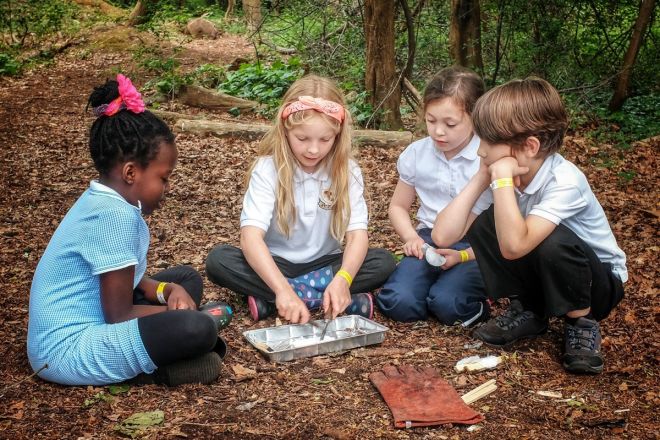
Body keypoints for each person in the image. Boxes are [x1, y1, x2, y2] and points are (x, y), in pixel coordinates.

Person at [27, 74, 231, 387]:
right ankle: (161, 367)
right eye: (163, 178)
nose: (166, 188)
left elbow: (122, 281)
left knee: (185, 280)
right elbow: (118, 314)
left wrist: (167, 291)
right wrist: (183, 320)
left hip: (97, 313)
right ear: (131, 172)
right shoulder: (113, 216)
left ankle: (176, 339)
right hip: (66, 351)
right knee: (198, 328)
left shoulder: (104, 200)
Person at [432, 77, 626, 374]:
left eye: (488, 141)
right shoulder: (498, 169)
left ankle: (581, 323)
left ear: (529, 147)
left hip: (596, 286)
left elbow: (514, 247)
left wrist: (501, 182)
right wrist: (482, 178)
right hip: (545, 276)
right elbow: (443, 235)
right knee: (486, 224)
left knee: (552, 239)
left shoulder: (564, 181)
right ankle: (531, 309)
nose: (479, 151)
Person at [206, 75, 396, 324]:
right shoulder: (268, 169)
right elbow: (250, 237)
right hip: (276, 264)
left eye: (325, 140)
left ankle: (277, 298)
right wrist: (281, 288)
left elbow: (357, 235)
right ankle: (299, 294)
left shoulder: (347, 171)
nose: (313, 150)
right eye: (303, 139)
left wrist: (343, 280)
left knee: (383, 262)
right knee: (218, 261)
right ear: (285, 131)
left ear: (338, 136)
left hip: (327, 264)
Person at [376, 66, 488, 326]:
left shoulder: (487, 156)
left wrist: (464, 255)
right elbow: (398, 206)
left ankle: (471, 298)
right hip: (428, 240)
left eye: (450, 124)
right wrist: (411, 238)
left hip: (476, 246)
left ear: (475, 116)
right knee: (398, 302)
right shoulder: (417, 154)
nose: (438, 132)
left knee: (449, 304)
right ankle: (430, 290)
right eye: (431, 121)